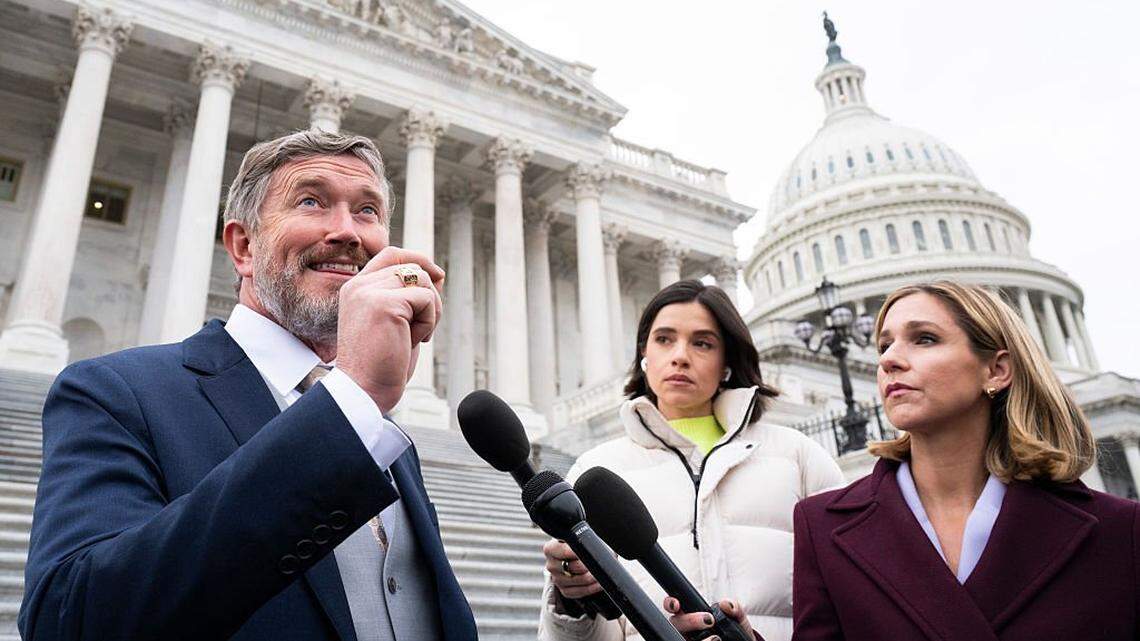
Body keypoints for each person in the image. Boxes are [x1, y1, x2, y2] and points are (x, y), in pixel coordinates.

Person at [19, 130, 478, 641]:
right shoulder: (115, 394)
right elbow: (72, 620)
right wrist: (351, 399)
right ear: (243, 246)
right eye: (311, 201)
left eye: (368, 211)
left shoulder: (387, 432)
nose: (349, 232)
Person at [792, 281, 1139, 640]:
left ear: (996, 370)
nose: (887, 359)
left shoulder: (1119, 531)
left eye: (924, 338)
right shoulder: (820, 528)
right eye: (884, 344)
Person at [538, 280, 845, 641]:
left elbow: (851, 602)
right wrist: (573, 601)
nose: (680, 355)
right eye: (664, 339)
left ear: (727, 362)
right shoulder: (595, 471)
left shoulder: (798, 457)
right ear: (644, 354)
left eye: (702, 343)